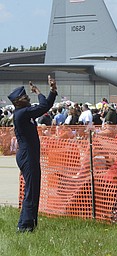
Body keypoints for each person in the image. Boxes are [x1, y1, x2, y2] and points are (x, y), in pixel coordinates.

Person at [8, 76, 58, 232]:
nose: (28, 98)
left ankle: (30, 223)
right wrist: (39, 92)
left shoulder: (25, 113)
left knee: (34, 189)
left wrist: (52, 90)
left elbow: (46, 105)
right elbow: (43, 106)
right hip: (27, 156)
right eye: (25, 97)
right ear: (18, 102)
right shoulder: (21, 113)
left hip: (30, 155)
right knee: (31, 190)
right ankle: (24, 225)